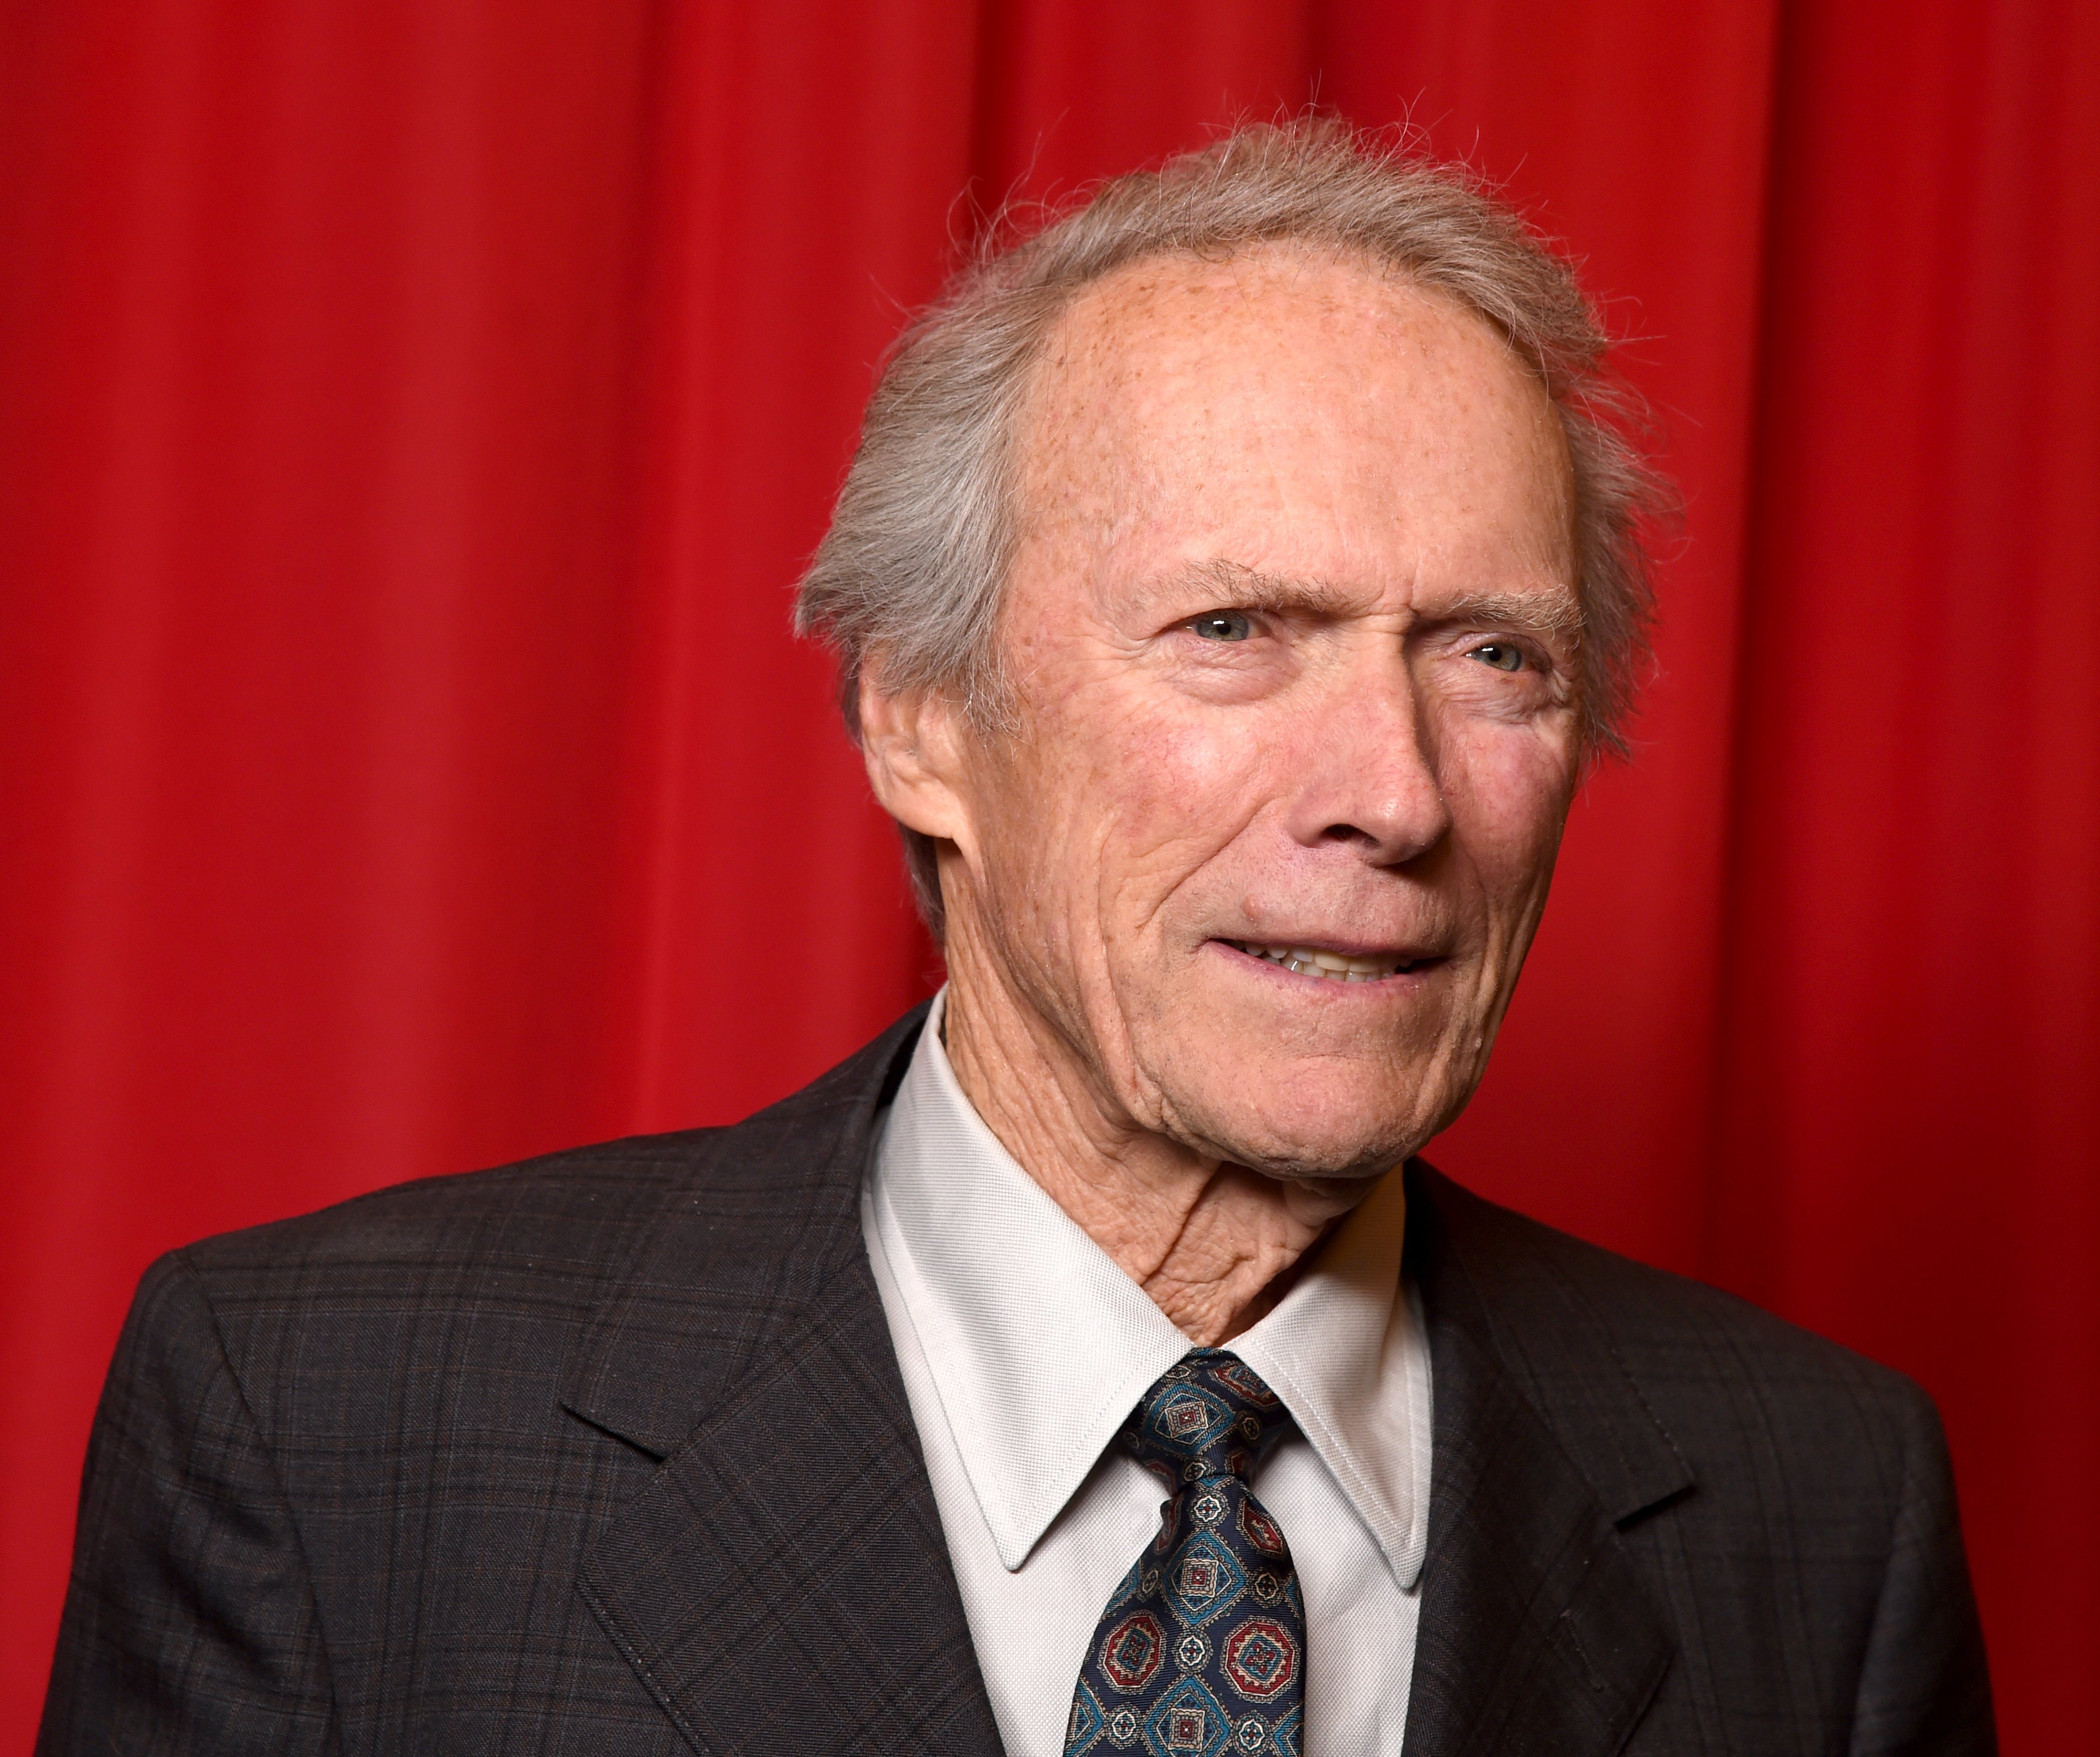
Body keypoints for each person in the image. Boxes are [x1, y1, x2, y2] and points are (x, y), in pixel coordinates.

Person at [41, 119, 1994, 1756]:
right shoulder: (327, 1425)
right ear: (920, 718)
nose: (1394, 796)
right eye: (1237, 633)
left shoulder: (1817, 1510)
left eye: (1495, 659)